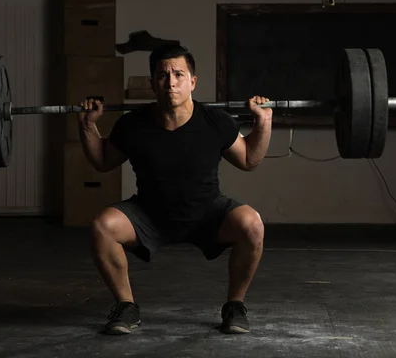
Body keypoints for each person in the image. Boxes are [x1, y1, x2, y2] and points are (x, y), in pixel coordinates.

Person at [77, 44, 272, 335]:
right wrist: (87, 127)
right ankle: (126, 306)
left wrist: (263, 123)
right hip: (149, 214)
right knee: (102, 226)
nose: (171, 82)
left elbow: (248, 159)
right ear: (152, 82)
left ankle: (235, 306)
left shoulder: (215, 121)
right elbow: (104, 161)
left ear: (192, 81)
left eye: (179, 74)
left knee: (252, 225)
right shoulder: (132, 124)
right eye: (162, 75)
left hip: (207, 213)